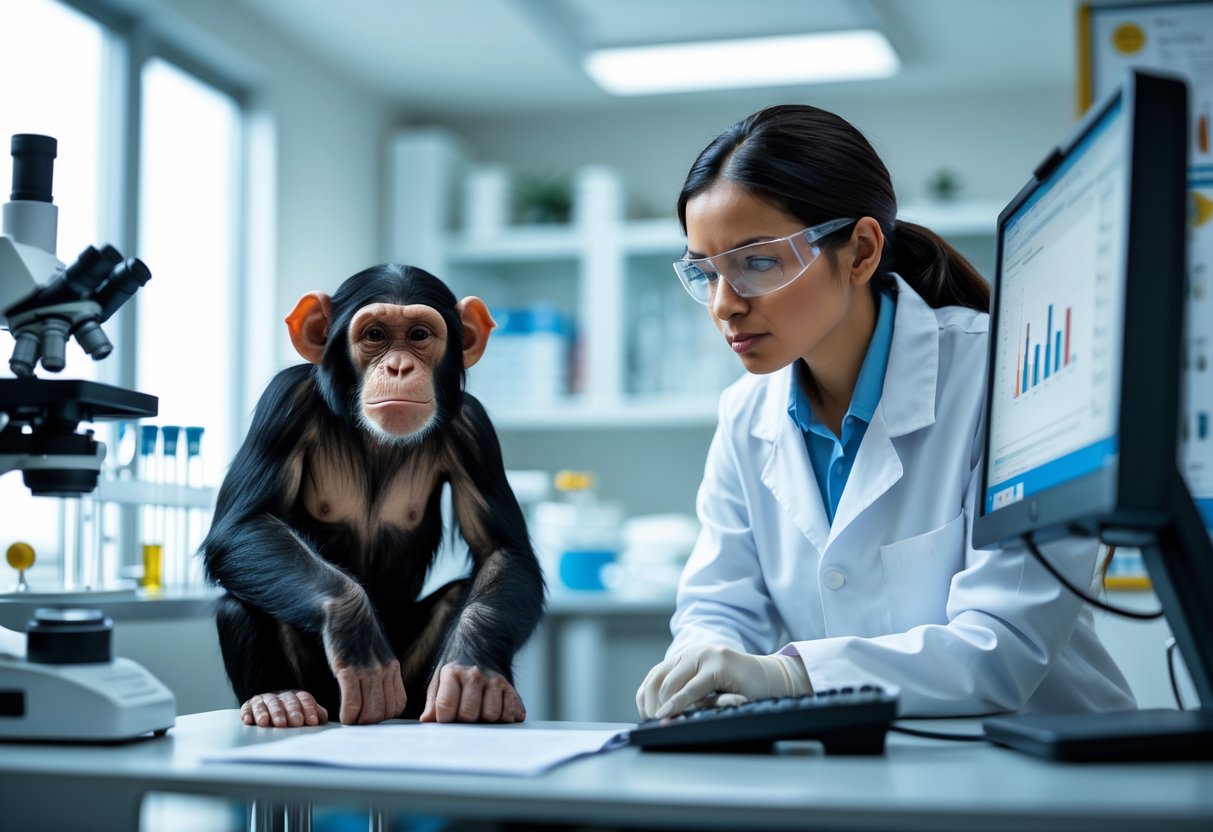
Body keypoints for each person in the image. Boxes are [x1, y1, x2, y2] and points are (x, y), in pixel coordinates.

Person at [636, 104, 1135, 721]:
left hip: (1050, 779)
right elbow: (720, 602)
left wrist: (791, 675)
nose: (723, 305)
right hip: (870, 774)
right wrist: (704, 662)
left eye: (757, 262)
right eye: (704, 272)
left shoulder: (1000, 375)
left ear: (861, 251)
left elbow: (1001, 646)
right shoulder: (745, 417)